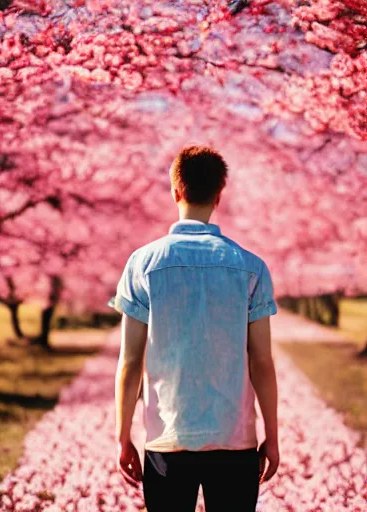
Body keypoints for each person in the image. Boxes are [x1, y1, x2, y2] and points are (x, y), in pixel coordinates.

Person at [113, 145, 279, 511]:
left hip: (168, 438)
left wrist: (123, 435)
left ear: (175, 191)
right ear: (219, 197)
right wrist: (272, 435)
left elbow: (130, 361)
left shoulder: (143, 264)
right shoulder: (251, 267)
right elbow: (262, 361)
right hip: (234, 439)